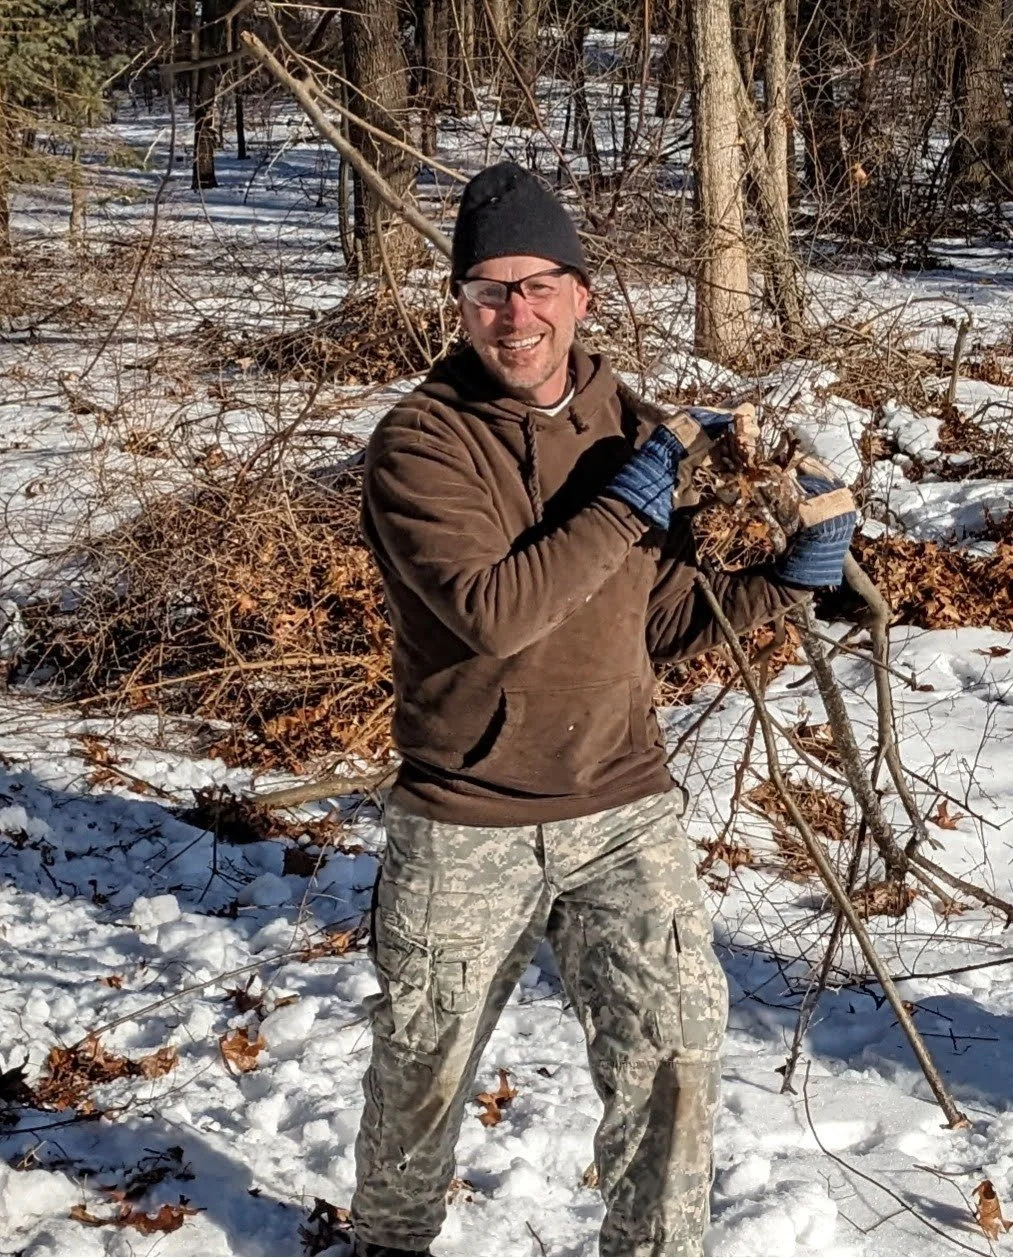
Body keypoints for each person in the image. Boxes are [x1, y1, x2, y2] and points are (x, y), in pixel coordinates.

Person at [351, 163, 857, 1258]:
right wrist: (629, 495)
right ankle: (387, 1242)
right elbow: (494, 613)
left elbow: (661, 620)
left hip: (621, 804)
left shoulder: (632, 425)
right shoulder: (420, 442)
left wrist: (793, 577)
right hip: (462, 815)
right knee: (419, 1077)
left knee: (673, 1058)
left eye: (536, 286)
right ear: (459, 304)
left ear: (581, 295)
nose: (513, 314)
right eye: (486, 289)